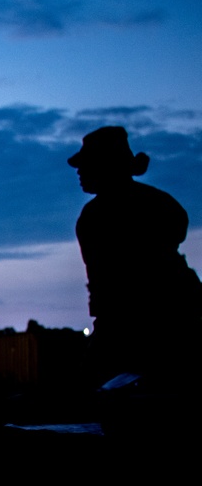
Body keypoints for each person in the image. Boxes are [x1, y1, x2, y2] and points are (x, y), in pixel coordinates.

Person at [69, 126, 202, 387]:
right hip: (178, 314)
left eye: (86, 165)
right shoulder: (162, 203)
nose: (79, 172)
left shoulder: (96, 216)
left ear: (105, 166)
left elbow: (107, 284)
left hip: (140, 322)